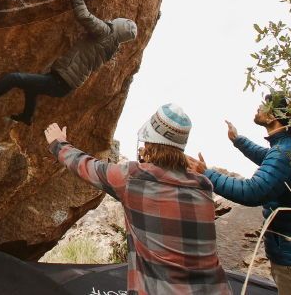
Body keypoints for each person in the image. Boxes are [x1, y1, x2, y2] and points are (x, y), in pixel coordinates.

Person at [44, 104, 231, 295]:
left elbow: (88, 167)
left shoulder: (134, 178)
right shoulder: (204, 187)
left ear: (150, 142)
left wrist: (59, 144)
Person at [186, 93, 291, 295]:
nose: (259, 106)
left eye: (266, 105)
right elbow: (270, 161)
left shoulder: (285, 153)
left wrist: (206, 174)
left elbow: (252, 192)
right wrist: (239, 141)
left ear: (274, 116)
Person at [0, 0, 137, 124]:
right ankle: (27, 117)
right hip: (65, 84)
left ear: (117, 26)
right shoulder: (112, 47)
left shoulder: (105, 33)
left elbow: (84, 16)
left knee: (14, 78)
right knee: (31, 87)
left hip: (61, 81)